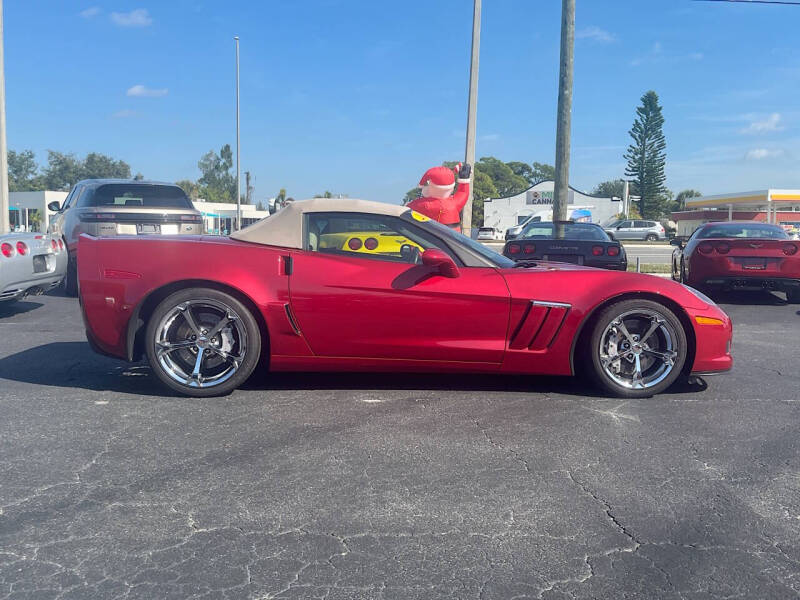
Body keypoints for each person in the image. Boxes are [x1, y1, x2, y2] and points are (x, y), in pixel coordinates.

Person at [407, 163, 472, 232]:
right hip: (454, 240)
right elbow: (463, 192)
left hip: (430, 239)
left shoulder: (422, 204)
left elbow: (403, 212)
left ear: (430, 186)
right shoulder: (454, 203)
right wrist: (464, 179)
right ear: (451, 187)